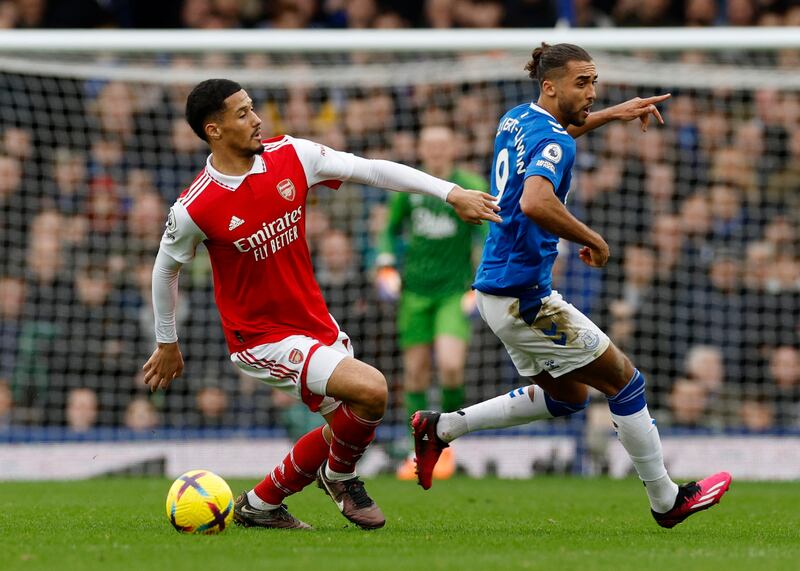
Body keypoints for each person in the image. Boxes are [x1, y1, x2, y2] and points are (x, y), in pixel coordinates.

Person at [141, 79, 500, 531]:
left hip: (313, 322)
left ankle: (261, 503)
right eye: (242, 114)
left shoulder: (292, 155)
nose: (256, 120)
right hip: (260, 337)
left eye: (253, 108)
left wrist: (450, 192)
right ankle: (341, 478)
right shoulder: (195, 207)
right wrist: (166, 341)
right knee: (372, 389)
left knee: (351, 422)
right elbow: (164, 269)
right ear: (213, 130)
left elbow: (372, 170)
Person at [411, 43, 731, 529]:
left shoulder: (516, 117)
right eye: (583, 83)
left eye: (594, 82)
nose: (592, 91)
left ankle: (442, 427)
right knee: (625, 381)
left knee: (569, 398)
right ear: (550, 85)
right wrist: (592, 237)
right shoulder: (555, 142)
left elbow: (559, 135)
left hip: (500, 288)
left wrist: (612, 114)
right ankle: (667, 500)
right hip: (525, 298)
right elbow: (539, 201)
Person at [375, 125, 488, 481]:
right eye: (430, 145)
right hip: (415, 294)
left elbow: (487, 233)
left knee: (451, 366)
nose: (437, 151)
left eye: (443, 144)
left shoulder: (469, 185)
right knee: (415, 374)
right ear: (421, 149)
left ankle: (447, 438)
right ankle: (419, 447)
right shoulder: (409, 187)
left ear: (454, 147)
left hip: (454, 292)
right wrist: (384, 263)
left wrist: (480, 284)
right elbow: (389, 231)